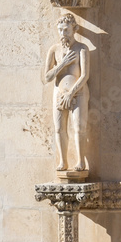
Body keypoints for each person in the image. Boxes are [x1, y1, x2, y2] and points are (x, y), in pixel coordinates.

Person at [44, 13, 90, 172]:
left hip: (78, 93)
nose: (63, 34)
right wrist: (62, 63)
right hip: (58, 93)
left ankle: (80, 161)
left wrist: (71, 93)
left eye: (66, 30)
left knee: (79, 127)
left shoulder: (81, 48)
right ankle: (63, 161)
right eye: (60, 30)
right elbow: (47, 77)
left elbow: (85, 75)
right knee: (59, 128)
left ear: (74, 29)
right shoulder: (54, 50)